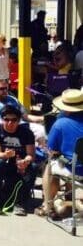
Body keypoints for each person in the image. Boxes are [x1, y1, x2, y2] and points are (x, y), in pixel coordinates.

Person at [38, 89, 83, 220]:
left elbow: (52, 151)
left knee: (50, 165)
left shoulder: (60, 124)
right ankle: (69, 196)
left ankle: (48, 205)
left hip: (75, 169)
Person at [0, 105, 37, 216]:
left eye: (14, 120)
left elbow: (31, 155)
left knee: (33, 166)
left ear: (19, 121)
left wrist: (26, 161)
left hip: (20, 164)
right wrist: (5, 154)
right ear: (2, 119)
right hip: (3, 165)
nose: (10, 123)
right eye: (6, 119)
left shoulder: (27, 133)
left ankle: (20, 202)